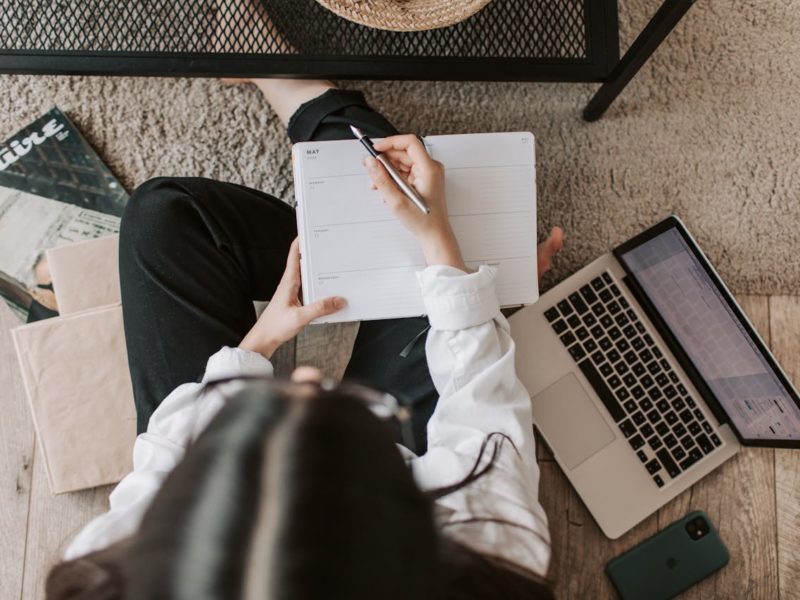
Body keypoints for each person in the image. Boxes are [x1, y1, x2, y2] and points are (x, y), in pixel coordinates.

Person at [45, 77, 565, 600]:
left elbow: (165, 458)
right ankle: (304, 95)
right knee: (453, 262)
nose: (309, 375)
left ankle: (313, 115)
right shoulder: (492, 557)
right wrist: (445, 249)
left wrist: (258, 344)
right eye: (350, 413)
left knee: (164, 214)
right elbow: (482, 408)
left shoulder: (111, 573)